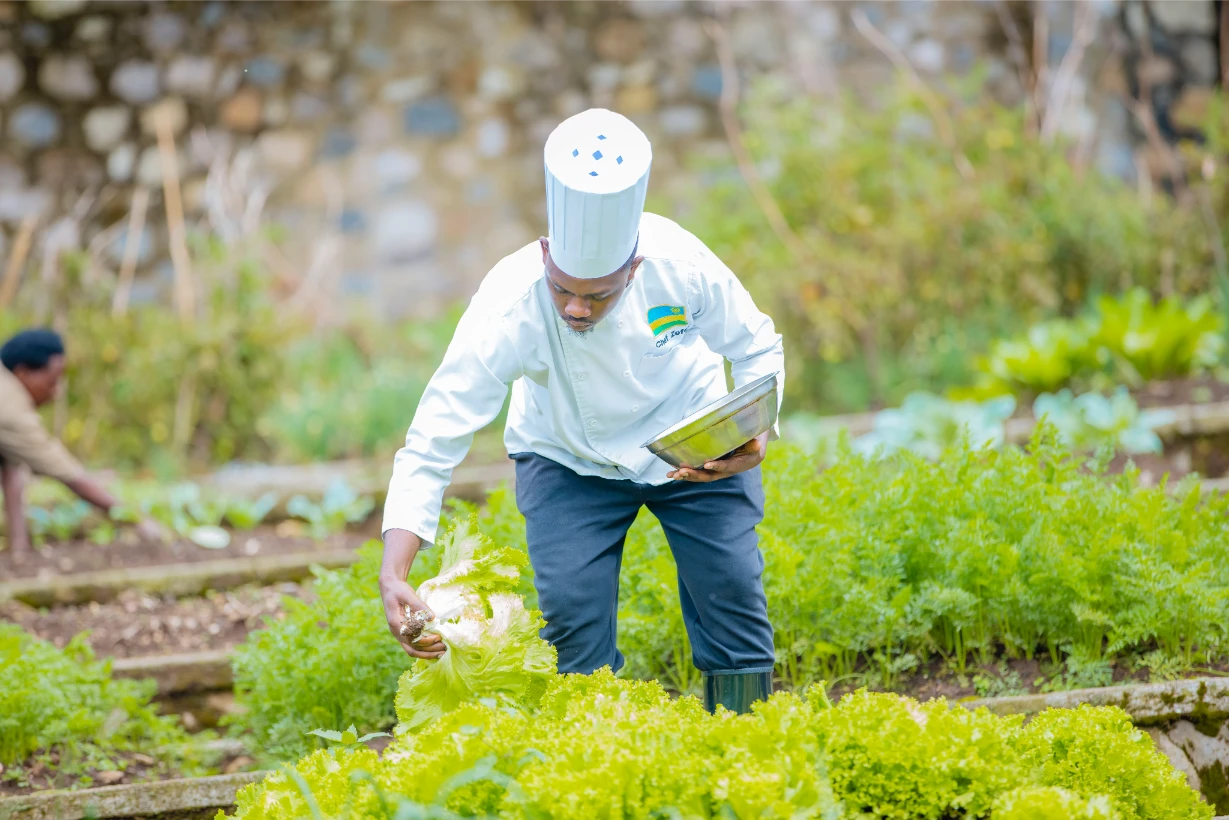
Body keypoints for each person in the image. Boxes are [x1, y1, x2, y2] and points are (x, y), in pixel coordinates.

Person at [379, 109, 784, 714]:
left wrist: (755, 435)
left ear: (635, 267)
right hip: (565, 457)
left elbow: (756, 347)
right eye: (562, 288)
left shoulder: (681, 265)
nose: (575, 308)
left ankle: (749, 740)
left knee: (731, 590)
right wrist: (395, 569)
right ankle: (596, 753)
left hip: (693, 443)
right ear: (545, 253)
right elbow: (437, 432)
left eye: (598, 295)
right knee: (571, 620)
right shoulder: (506, 306)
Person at [1, 329, 163, 556]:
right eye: (52, 381)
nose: (56, 392)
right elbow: (65, 472)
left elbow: (11, 471)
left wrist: (19, 548)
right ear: (23, 373)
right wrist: (136, 519)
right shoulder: (8, 407)